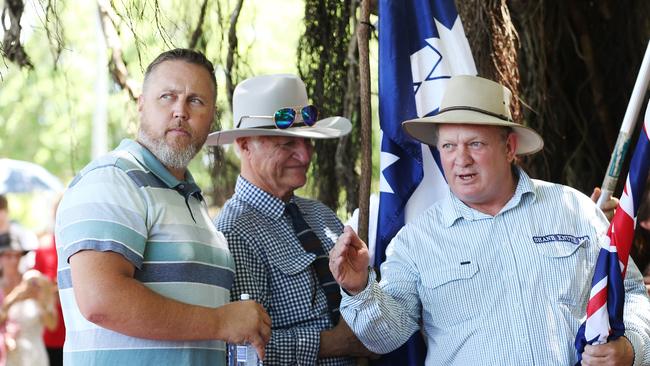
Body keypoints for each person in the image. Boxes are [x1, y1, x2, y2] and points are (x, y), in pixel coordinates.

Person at [329, 75, 650, 365]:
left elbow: (631, 291)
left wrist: (630, 347)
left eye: (475, 144)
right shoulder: (418, 239)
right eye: (449, 146)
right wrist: (359, 290)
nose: (460, 159)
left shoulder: (574, 209)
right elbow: (386, 337)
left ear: (509, 147)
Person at [54, 49, 271, 366]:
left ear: (211, 116)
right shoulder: (112, 179)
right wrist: (221, 322)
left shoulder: (191, 198)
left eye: (196, 101)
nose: (180, 111)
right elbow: (101, 300)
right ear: (141, 104)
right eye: (167, 97)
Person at [208, 74, 373, 365]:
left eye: (308, 141)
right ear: (245, 144)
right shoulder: (235, 233)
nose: (305, 155)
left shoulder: (321, 215)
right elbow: (240, 348)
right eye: (287, 144)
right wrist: (336, 343)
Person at [0, 236, 57, 366]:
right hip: (7, 354)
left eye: (17, 256)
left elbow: (52, 324)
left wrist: (40, 300)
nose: (14, 260)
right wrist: (13, 298)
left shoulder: (34, 282)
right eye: (8, 256)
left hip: (35, 355)